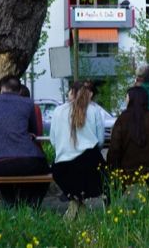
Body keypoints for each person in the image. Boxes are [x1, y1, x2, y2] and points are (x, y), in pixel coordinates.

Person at [0, 76, 50, 208]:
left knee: (3, 176)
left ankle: (11, 203)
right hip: (27, 160)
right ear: (19, 90)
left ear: (1, 88)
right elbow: (35, 131)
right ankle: (32, 206)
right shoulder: (28, 103)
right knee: (45, 171)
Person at [50, 81, 106, 219]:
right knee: (105, 178)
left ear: (71, 93)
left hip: (63, 167)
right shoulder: (94, 110)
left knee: (62, 173)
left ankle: (75, 202)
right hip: (89, 163)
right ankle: (79, 206)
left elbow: (53, 140)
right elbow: (100, 140)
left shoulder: (58, 111)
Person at [108, 86, 149, 193]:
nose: (125, 99)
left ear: (131, 98)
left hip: (127, 167)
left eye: (126, 97)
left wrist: (111, 166)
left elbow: (115, 147)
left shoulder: (122, 119)